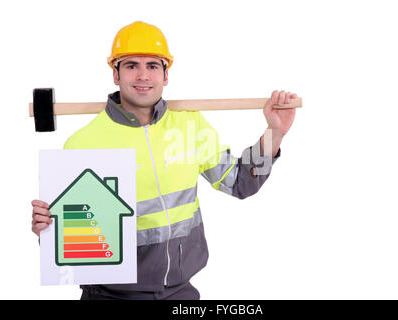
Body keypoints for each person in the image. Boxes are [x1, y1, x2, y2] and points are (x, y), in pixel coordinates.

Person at [31, 21, 297, 300]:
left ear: (165, 74)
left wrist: (275, 132)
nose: (143, 75)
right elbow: (71, 240)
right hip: (109, 295)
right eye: (131, 65)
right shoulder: (82, 143)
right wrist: (45, 230)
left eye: (153, 66)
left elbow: (240, 184)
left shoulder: (190, 126)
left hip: (180, 292)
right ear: (115, 73)